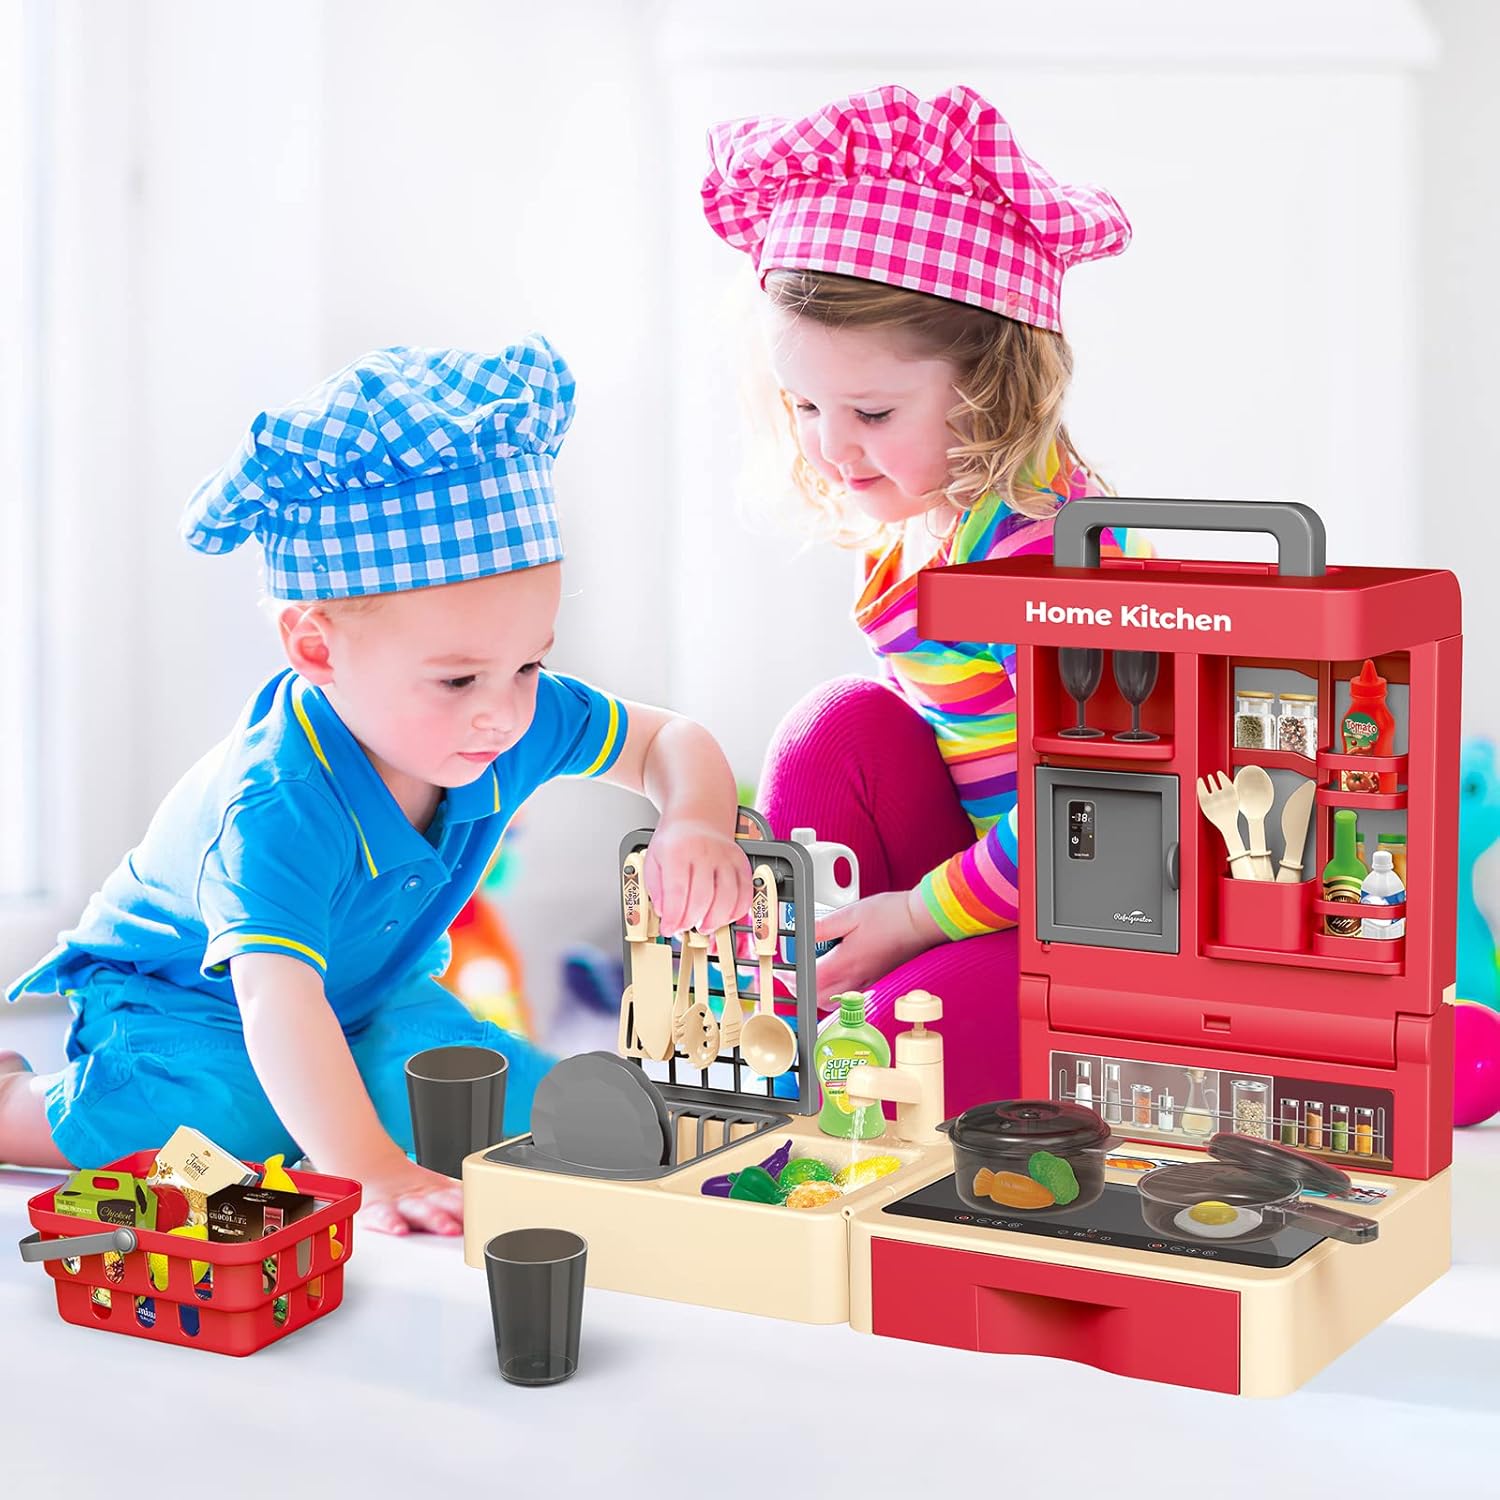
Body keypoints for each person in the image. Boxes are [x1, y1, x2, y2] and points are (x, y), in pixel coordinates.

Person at [1, 338, 750, 1234]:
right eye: (459, 679)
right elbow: (275, 1000)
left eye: (530, 663)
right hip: (190, 1007)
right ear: (317, 649)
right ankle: (17, 1104)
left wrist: (695, 820)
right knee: (223, 1130)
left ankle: (360, 1112)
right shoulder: (276, 805)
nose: (506, 713)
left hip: (367, 993)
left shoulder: (506, 710)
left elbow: (670, 739)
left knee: (486, 1100)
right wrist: (370, 1172)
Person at [702, 84, 1146, 1114]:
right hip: (990, 893)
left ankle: (849, 1037)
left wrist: (909, 921)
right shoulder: (932, 518)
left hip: (1095, 924)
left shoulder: (1056, 563)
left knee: (895, 1053)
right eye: (803, 404)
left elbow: (1096, 821)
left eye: (870, 412)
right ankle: (797, 991)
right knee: (838, 724)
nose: (829, 445)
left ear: (994, 384)